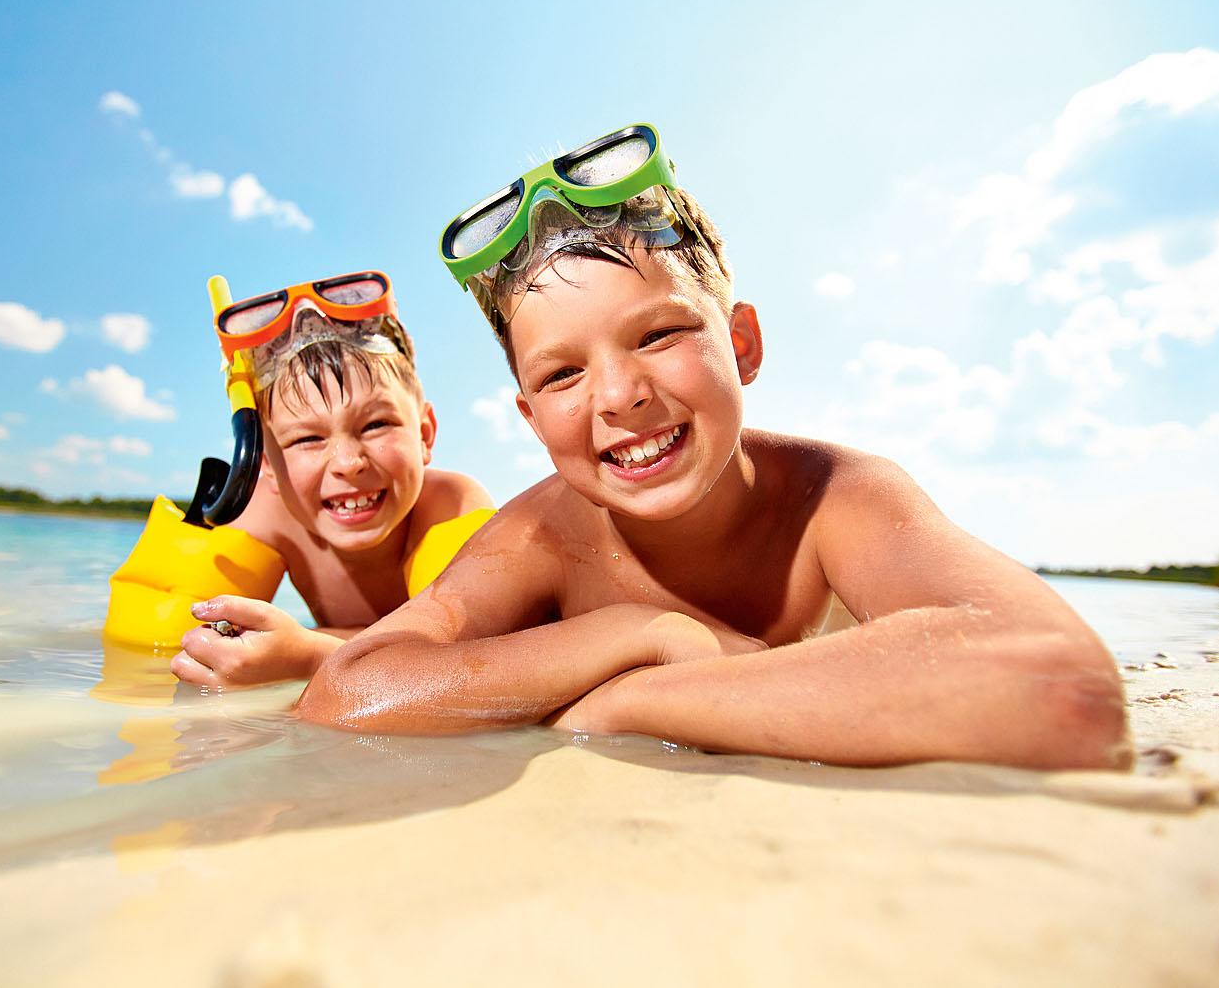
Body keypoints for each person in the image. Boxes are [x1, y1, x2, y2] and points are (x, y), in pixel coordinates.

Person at [294, 125, 1130, 770]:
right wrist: (633, 632)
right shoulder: (539, 537)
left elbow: (1060, 687)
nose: (618, 395)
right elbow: (347, 693)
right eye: (562, 374)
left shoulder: (836, 499)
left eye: (658, 334)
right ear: (530, 418)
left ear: (742, 343)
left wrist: (630, 702)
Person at [170, 270, 492, 689]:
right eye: (307, 438)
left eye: (376, 425)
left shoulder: (450, 503)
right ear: (266, 465)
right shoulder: (264, 518)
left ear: (425, 434)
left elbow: (477, 650)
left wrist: (309, 654)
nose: (348, 463)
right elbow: (173, 649)